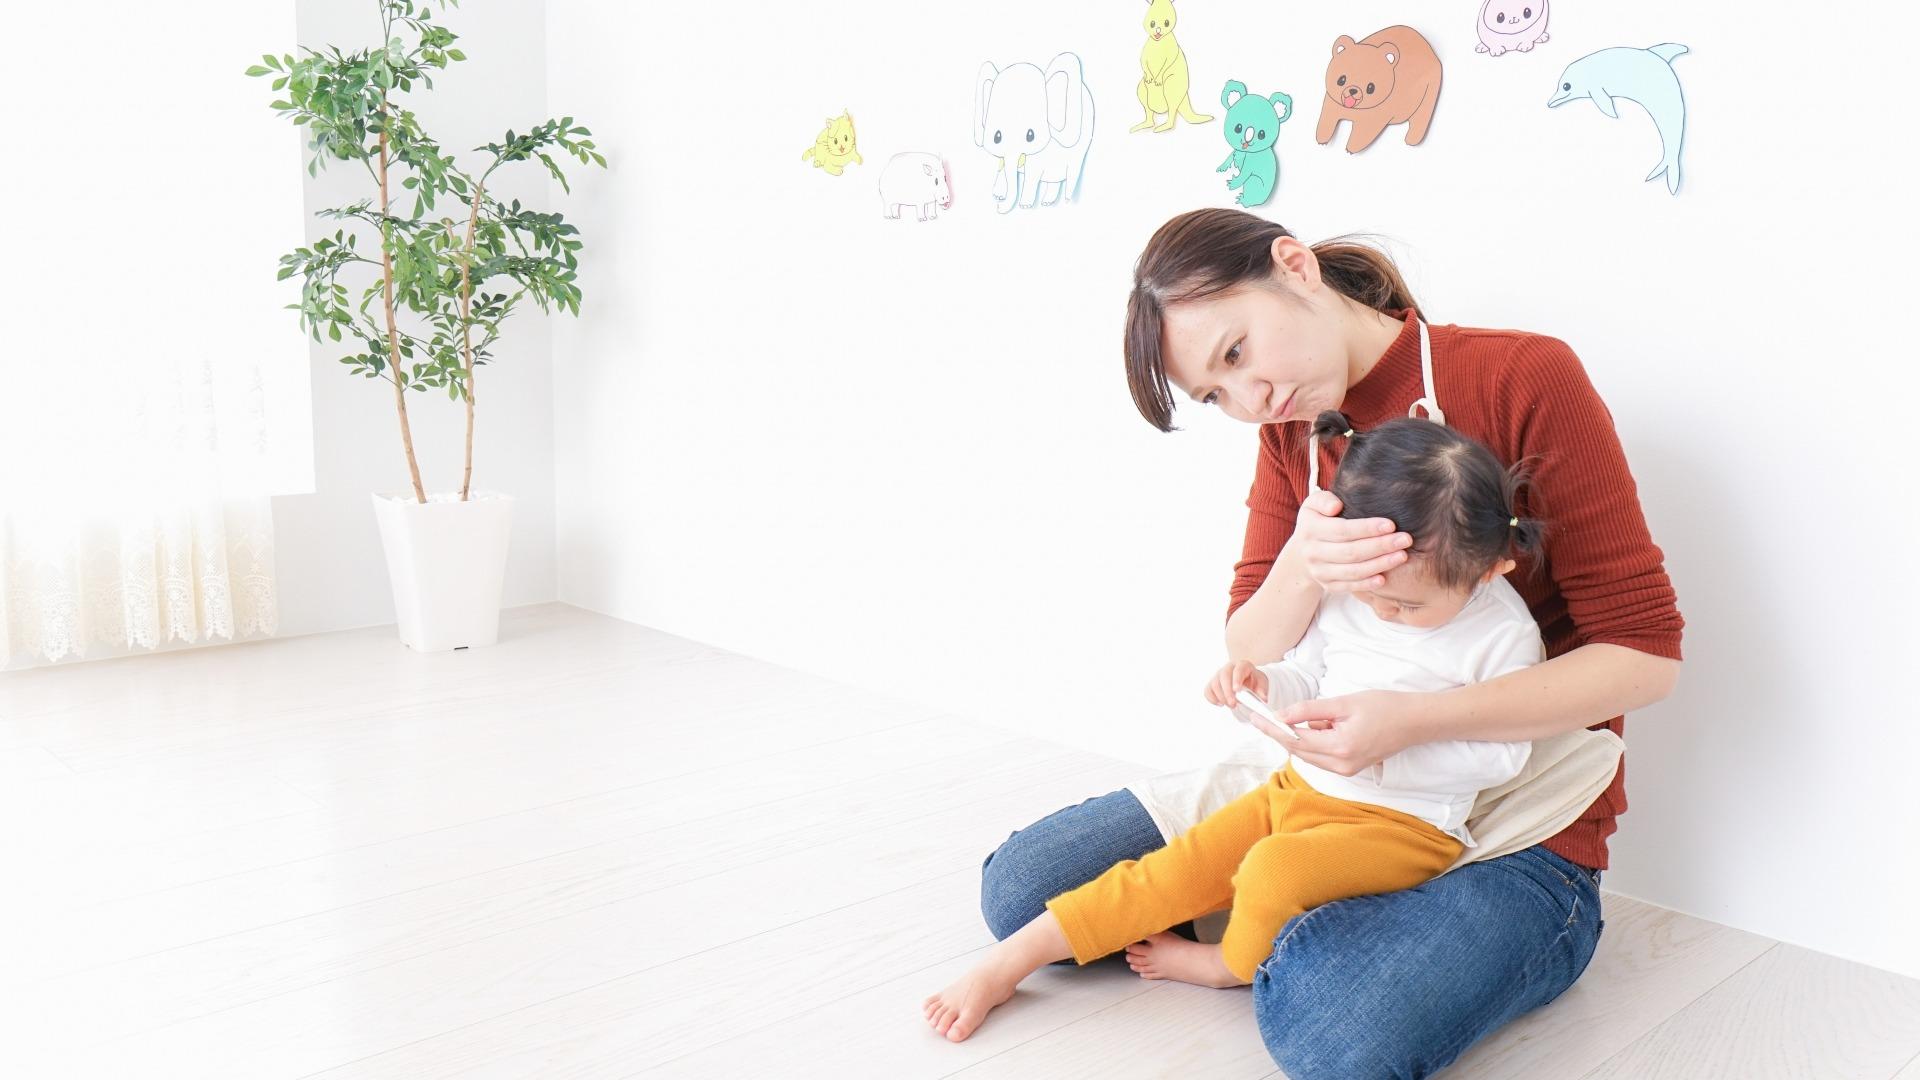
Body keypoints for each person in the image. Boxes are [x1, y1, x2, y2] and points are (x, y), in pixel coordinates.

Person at [969, 208, 1685, 1077]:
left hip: (1511, 824)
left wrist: (1413, 723)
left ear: (1295, 266)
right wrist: (1304, 563)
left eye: (1237, 353)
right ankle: (1293, 910)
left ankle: (1287, 927)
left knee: (1337, 1029)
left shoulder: (1521, 375)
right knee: (1021, 893)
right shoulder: (1291, 430)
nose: (1250, 401)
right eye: (1215, 395)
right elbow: (1252, 637)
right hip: (1324, 792)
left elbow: (1645, 656)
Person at [924, 410, 1552, 1035]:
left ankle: (1229, 964)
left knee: (1272, 869)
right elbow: (1309, 677)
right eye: (1371, 593)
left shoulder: (1502, 635)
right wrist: (1264, 684)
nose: (1382, 611)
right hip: (1298, 790)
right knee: (1178, 866)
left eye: (1406, 605)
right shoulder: (1349, 590)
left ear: (1491, 568)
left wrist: (1389, 750)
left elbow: (1502, 756)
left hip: (1406, 828)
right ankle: (1012, 960)